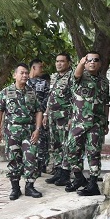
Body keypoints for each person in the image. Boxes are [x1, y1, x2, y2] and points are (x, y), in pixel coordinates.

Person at [61, 51, 110, 196]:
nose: (92, 62)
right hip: (78, 123)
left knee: (94, 153)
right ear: (85, 62)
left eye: (96, 60)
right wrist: (81, 64)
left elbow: (105, 103)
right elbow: (76, 75)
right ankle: (78, 178)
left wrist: (106, 122)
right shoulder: (80, 76)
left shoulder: (104, 81)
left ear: (100, 63)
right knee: (71, 151)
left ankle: (93, 183)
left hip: (96, 124)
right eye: (89, 60)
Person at [0, 62, 44, 200]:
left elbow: (39, 111)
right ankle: (15, 188)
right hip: (12, 131)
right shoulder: (5, 92)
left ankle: (29, 186)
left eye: (26, 73)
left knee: (31, 157)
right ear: (14, 75)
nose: (25, 75)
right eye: (21, 73)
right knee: (14, 159)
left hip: (29, 131)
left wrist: (38, 129)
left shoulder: (31, 92)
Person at [42, 53, 73, 185]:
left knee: (65, 145)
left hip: (65, 117)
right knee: (55, 145)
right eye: (57, 61)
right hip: (52, 117)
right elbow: (51, 98)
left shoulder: (72, 77)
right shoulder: (56, 77)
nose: (59, 64)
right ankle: (58, 171)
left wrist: (72, 117)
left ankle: (65, 173)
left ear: (69, 63)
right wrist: (45, 114)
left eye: (62, 61)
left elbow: (75, 99)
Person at [27, 59, 50, 175]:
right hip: (26, 119)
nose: (42, 69)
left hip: (40, 118)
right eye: (40, 67)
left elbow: (48, 100)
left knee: (42, 143)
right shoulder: (24, 83)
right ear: (33, 68)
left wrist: (45, 114)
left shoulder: (44, 83)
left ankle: (41, 168)